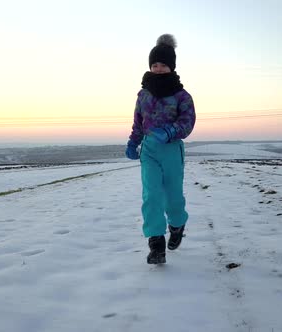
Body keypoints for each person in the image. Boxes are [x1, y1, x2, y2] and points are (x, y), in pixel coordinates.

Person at [125, 34, 196, 264]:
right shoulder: (143, 95)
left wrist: (170, 132)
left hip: (172, 150)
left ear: (171, 67)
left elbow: (187, 122)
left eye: (163, 64)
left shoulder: (182, 96)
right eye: (154, 64)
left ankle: (177, 224)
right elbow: (138, 121)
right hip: (150, 151)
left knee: (172, 196)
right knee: (151, 195)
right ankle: (156, 244)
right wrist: (133, 141)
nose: (158, 68)